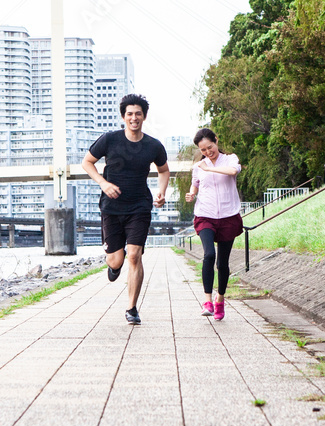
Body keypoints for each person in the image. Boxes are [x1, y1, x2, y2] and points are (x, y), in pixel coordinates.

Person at [82, 93, 169, 325]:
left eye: (138, 114)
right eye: (129, 114)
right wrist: (103, 182)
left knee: (134, 255)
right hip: (111, 208)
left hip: (139, 206)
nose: (134, 118)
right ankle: (114, 266)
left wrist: (161, 191)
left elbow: (163, 170)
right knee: (115, 260)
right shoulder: (110, 139)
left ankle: (131, 308)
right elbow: (87, 162)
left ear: (144, 117)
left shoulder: (153, 145)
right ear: (123, 116)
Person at [184, 128, 243, 321]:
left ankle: (220, 299)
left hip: (228, 215)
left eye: (210, 147)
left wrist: (210, 168)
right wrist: (192, 193)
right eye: (203, 150)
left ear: (216, 140)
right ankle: (207, 301)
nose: (208, 152)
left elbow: (233, 171)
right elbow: (196, 183)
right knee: (209, 254)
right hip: (205, 215)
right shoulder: (198, 166)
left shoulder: (230, 159)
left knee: (223, 263)